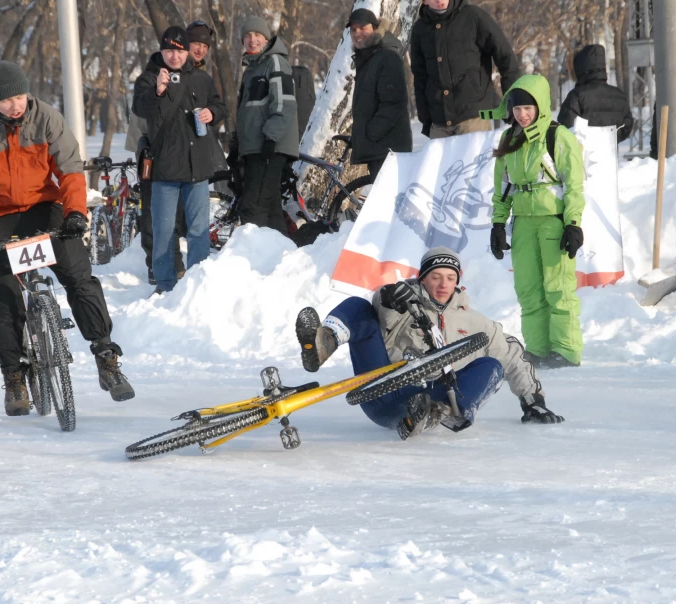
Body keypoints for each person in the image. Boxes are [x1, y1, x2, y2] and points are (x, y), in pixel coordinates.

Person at [0, 60, 135, 416]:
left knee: (79, 276)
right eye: (6, 100)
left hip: (42, 206)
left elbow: (71, 170)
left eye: (19, 96)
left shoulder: (47, 118)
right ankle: (14, 375)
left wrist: (76, 213)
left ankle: (106, 355)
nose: (15, 105)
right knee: (2, 292)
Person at [296, 247, 563, 440]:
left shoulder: (476, 323)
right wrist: (388, 294)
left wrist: (532, 401)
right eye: (436, 277)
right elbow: (380, 303)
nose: (443, 284)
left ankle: (437, 412)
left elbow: (512, 357)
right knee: (359, 306)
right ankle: (324, 343)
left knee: (491, 365)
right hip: (380, 391)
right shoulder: (401, 302)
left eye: (450, 277)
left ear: (458, 280)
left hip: (432, 400)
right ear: (423, 278)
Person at [481, 74, 585, 369]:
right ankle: (538, 349)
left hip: (553, 222)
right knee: (528, 288)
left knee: (558, 288)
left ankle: (565, 350)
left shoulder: (558, 136)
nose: (522, 115)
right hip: (523, 224)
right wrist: (498, 224)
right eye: (516, 109)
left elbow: (574, 185)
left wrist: (573, 223)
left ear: (540, 106)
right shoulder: (509, 139)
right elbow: (502, 187)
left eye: (528, 108)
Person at [132, 26, 225, 294]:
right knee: (163, 230)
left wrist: (211, 113)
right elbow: (140, 108)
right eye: (169, 50)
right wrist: (159, 91)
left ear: (187, 51)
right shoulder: (150, 77)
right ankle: (164, 283)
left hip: (198, 166)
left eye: (179, 50)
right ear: (162, 51)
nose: (175, 56)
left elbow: (220, 105)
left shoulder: (202, 78)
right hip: (165, 167)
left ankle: (197, 284)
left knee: (198, 229)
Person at [409, 0, 519, 139]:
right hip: (439, 122)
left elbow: (505, 56)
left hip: (473, 116)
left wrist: (514, 100)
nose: (439, 0)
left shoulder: (473, 16)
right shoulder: (420, 28)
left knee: (472, 161)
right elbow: (420, 76)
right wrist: (425, 118)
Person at [230, 16, 299, 234]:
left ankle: (253, 260)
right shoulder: (252, 69)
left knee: (253, 208)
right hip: (254, 148)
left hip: (270, 147)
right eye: (247, 36)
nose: (252, 40)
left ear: (266, 38)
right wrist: (236, 144)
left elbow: (284, 104)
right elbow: (246, 113)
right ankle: (282, 256)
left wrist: (271, 137)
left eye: (257, 35)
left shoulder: (275, 62)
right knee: (269, 209)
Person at [347, 8, 412, 180]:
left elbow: (393, 103)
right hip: (377, 147)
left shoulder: (387, 56)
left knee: (389, 202)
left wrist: (372, 133)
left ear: (375, 28)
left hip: (388, 147)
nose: (357, 33)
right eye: (353, 29)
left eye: (362, 28)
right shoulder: (368, 58)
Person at [123, 116, 185, 285]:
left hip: (177, 145)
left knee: (173, 208)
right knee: (152, 207)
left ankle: (173, 260)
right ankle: (156, 263)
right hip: (149, 146)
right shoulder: (145, 92)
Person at [557, 44, 634, 143]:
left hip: (582, 155)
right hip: (611, 154)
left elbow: (564, 127)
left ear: (578, 69)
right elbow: (627, 125)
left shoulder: (576, 96)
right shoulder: (619, 95)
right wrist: (610, 139)